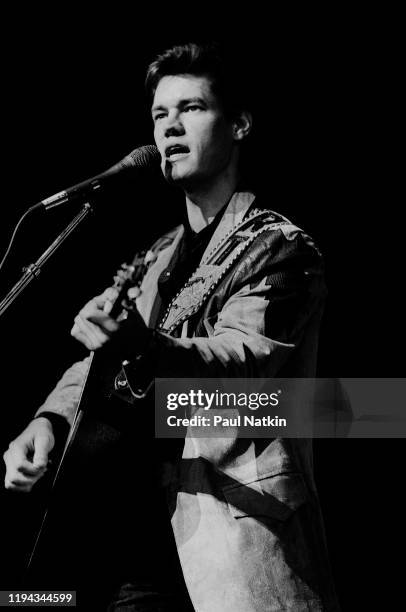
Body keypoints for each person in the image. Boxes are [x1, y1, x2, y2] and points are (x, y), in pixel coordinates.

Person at [3, 42, 340, 611]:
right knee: (27, 600)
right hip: (119, 546)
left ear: (239, 124)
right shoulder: (155, 256)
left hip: (223, 535)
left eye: (192, 108)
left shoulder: (279, 248)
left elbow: (241, 366)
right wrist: (48, 422)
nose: (170, 127)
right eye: (160, 115)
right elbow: (95, 363)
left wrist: (138, 343)